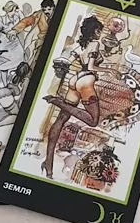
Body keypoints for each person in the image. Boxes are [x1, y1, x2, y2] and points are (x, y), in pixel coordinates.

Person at [40, 15, 106, 178]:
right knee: (93, 121)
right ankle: (57, 102)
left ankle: (48, 163)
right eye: (99, 31)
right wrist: (111, 71)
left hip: (75, 79)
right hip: (86, 81)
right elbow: (91, 67)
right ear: (94, 31)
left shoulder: (80, 45)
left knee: (61, 120)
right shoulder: (95, 44)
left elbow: (68, 60)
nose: (100, 34)